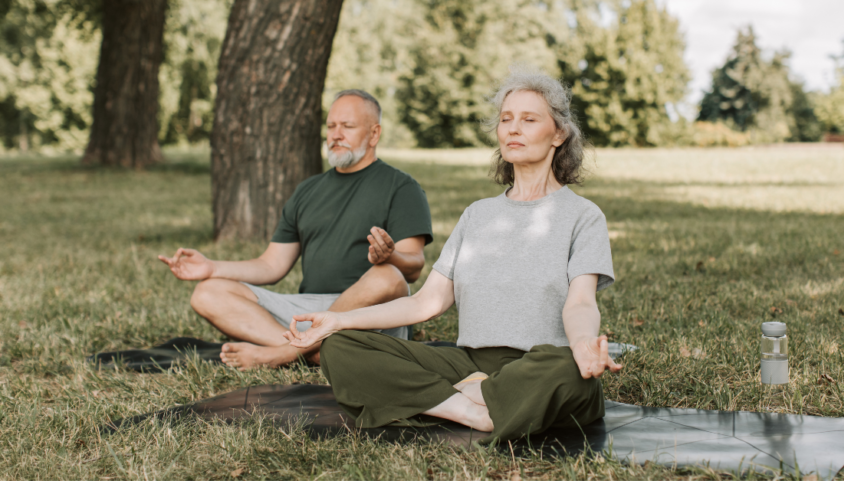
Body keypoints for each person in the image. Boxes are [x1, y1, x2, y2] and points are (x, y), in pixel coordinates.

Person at [283, 70, 621, 442]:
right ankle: (470, 410)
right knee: (342, 346)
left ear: (558, 133)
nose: (513, 129)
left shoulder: (583, 216)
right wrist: (337, 320)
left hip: (540, 364)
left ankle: (454, 397)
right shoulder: (477, 214)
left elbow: (580, 303)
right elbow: (425, 303)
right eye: (506, 119)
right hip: (470, 364)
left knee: (570, 373)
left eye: (529, 119)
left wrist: (583, 344)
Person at [158, 90, 433, 370]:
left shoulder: (401, 188)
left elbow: (412, 269)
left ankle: (280, 355)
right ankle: (311, 354)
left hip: (368, 314)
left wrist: (391, 256)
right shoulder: (308, 190)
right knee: (207, 293)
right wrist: (211, 268)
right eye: (330, 126)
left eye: (347, 127)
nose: (336, 135)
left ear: (374, 134)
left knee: (388, 276)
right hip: (309, 312)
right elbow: (271, 265)